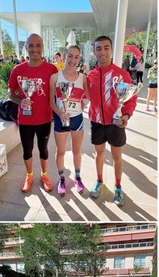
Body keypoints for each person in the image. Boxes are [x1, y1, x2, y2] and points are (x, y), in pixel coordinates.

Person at [87, 36, 138, 206]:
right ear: (94, 52)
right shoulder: (90, 76)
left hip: (115, 123)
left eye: (106, 47)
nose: (102, 52)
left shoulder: (122, 74)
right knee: (99, 154)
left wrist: (126, 115)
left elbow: (131, 98)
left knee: (117, 157)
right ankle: (99, 181)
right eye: (99, 48)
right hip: (96, 122)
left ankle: (118, 187)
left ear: (111, 49)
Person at [8, 34, 59, 193]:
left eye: (38, 45)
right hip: (25, 120)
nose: (34, 49)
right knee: (27, 150)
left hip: (44, 118)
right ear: (26, 47)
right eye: (31, 45)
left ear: (42, 46)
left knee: (43, 148)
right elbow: (11, 93)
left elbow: (58, 92)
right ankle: (29, 176)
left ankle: (44, 175)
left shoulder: (52, 69)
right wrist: (20, 101)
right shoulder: (18, 70)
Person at [48, 45, 89, 196]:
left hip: (77, 119)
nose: (73, 60)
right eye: (70, 56)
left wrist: (83, 103)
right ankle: (61, 179)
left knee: (77, 151)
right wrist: (60, 113)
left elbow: (88, 96)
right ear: (64, 56)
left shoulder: (83, 78)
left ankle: (77, 177)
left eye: (76, 57)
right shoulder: (55, 77)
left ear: (79, 59)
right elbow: (51, 101)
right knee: (60, 152)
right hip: (61, 119)